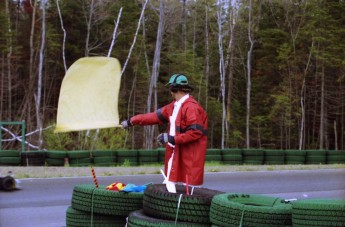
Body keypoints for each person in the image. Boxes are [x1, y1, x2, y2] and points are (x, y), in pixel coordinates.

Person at [121, 73, 208, 193]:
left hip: (188, 157)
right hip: (175, 154)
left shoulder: (191, 108)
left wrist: (171, 139)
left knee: (188, 191)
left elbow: (195, 133)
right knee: (170, 184)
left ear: (174, 89)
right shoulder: (174, 106)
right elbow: (152, 117)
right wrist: (131, 121)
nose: (170, 92)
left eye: (171, 89)